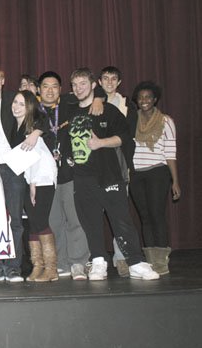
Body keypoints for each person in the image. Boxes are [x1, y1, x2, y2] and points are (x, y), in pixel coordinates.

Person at [67, 68, 158, 280]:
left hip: (109, 175)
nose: (78, 88)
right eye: (74, 85)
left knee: (122, 220)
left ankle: (135, 262)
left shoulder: (107, 110)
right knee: (91, 222)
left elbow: (125, 137)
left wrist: (101, 143)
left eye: (83, 83)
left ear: (92, 85)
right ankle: (99, 261)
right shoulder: (69, 110)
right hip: (82, 178)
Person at [0, 66, 44, 283]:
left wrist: (35, 133)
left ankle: (13, 267)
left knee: (15, 219)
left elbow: (41, 116)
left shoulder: (15, 98)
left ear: (3, 81)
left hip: (13, 167)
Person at [37, 71, 90, 280]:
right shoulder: (34, 112)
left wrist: (98, 100)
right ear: (39, 90)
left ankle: (78, 262)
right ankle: (61, 261)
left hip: (70, 173)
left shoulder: (71, 107)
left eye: (54, 86)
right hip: (44, 177)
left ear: (60, 89)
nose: (50, 90)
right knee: (53, 221)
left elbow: (93, 94)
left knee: (75, 218)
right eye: (45, 86)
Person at [130, 81, 180, 275]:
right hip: (136, 174)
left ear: (155, 99)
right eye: (141, 97)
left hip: (158, 173)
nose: (144, 100)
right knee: (144, 217)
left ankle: (161, 260)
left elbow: (170, 152)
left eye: (148, 97)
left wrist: (175, 181)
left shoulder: (166, 121)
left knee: (156, 215)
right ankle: (151, 260)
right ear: (136, 100)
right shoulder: (132, 120)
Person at [12, 91, 59, 282]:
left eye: (22, 104)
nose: (16, 106)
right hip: (30, 180)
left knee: (40, 222)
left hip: (43, 179)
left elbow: (41, 159)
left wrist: (34, 183)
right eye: (15, 102)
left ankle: (51, 269)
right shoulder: (17, 128)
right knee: (32, 224)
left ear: (30, 107)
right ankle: (38, 267)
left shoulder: (33, 129)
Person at [98, 66, 138, 277]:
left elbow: (128, 138)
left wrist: (129, 166)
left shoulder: (127, 106)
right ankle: (94, 258)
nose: (110, 82)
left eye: (114, 79)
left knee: (119, 213)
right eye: (106, 78)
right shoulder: (91, 103)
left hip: (119, 164)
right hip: (95, 166)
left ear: (119, 82)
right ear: (99, 81)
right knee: (92, 215)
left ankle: (122, 258)